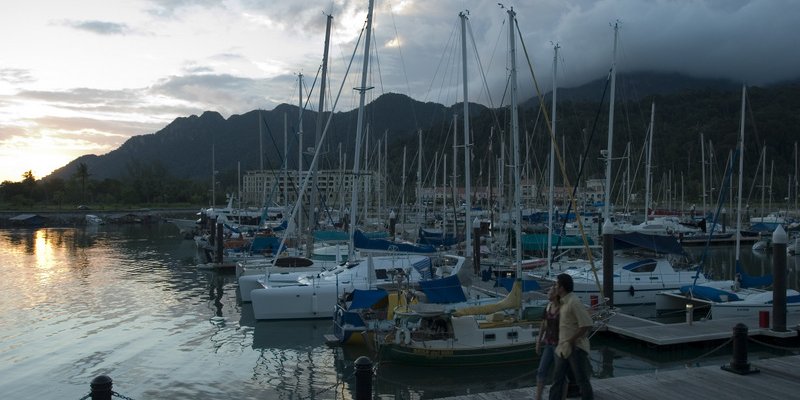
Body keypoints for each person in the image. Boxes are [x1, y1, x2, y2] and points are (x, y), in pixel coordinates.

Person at [549, 273, 594, 400]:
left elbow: (586, 324)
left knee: (582, 380)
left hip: (576, 348)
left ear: (562, 287)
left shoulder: (574, 302)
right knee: (557, 380)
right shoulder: (563, 302)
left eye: (556, 285)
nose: (555, 287)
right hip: (563, 348)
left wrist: (571, 340)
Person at [535, 286, 560, 400]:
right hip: (548, 344)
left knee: (560, 374)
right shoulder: (548, 306)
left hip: (559, 345)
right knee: (541, 370)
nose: (547, 292)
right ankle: (538, 397)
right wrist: (538, 341)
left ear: (555, 294)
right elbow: (543, 325)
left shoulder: (562, 308)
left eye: (549, 290)